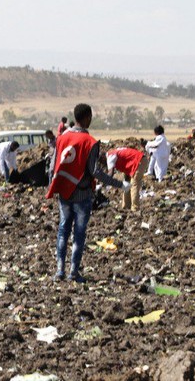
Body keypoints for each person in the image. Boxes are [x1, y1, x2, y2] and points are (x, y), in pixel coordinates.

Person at [47, 104, 129, 282]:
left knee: (63, 231)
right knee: (79, 234)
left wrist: (53, 186)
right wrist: (119, 184)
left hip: (64, 194)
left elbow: (53, 167)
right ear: (86, 118)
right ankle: (73, 273)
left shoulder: (61, 138)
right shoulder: (90, 142)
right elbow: (95, 171)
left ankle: (59, 271)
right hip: (82, 195)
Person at [106, 147, 148, 212]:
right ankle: (126, 207)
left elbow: (110, 173)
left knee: (134, 184)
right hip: (131, 165)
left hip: (139, 161)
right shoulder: (112, 153)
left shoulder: (110, 157)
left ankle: (135, 209)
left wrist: (102, 181)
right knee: (126, 184)